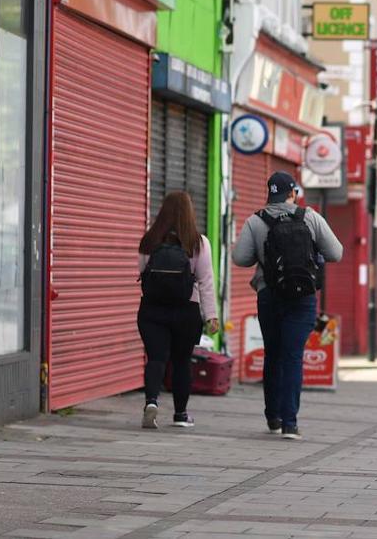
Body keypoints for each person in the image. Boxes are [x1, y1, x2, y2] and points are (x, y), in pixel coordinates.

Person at [232, 171, 343, 440]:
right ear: (293, 193)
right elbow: (336, 253)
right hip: (302, 297)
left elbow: (240, 258)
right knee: (293, 356)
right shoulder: (310, 217)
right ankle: (290, 424)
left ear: (269, 193)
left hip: (270, 295)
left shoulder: (255, 221)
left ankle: (273, 417)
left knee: (273, 354)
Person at [137, 191, 220, 430]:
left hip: (152, 309)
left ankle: (151, 402)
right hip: (187, 310)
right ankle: (181, 414)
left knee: (156, 358)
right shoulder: (198, 242)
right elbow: (206, 281)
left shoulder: (149, 241)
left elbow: (142, 273)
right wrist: (211, 315)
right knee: (182, 362)